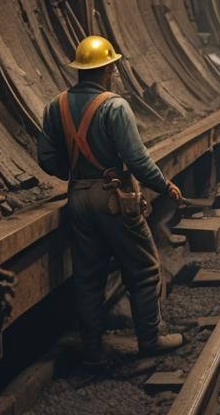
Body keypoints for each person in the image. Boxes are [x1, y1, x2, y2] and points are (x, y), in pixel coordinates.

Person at [37, 35, 184, 364]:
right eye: (112, 67)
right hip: (113, 198)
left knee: (88, 275)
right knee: (144, 268)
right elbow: (136, 159)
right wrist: (163, 184)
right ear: (106, 69)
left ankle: (93, 348)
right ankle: (150, 339)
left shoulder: (55, 106)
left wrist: (75, 173)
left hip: (77, 197)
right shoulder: (114, 106)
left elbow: (46, 158)